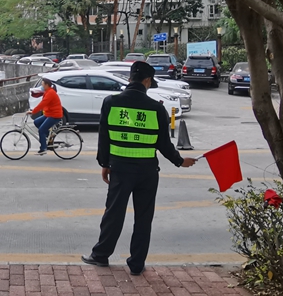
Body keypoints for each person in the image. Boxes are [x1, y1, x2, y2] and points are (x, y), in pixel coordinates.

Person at [82, 61, 198, 275]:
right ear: (147, 81)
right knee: (143, 218)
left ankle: (101, 255)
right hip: (147, 172)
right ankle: (136, 264)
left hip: (120, 169)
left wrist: (105, 164)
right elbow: (164, 144)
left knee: (114, 213)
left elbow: (104, 137)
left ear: (130, 79)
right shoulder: (156, 108)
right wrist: (180, 161)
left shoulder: (111, 102)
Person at [30, 78, 64, 155]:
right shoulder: (47, 92)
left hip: (55, 115)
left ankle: (43, 148)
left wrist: (33, 111)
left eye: (42, 84)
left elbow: (43, 103)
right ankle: (49, 136)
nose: (41, 86)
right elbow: (44, 104)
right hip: (49, 114)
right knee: (36, 122)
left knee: (41, 130)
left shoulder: (50, 93)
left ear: (46, 85)